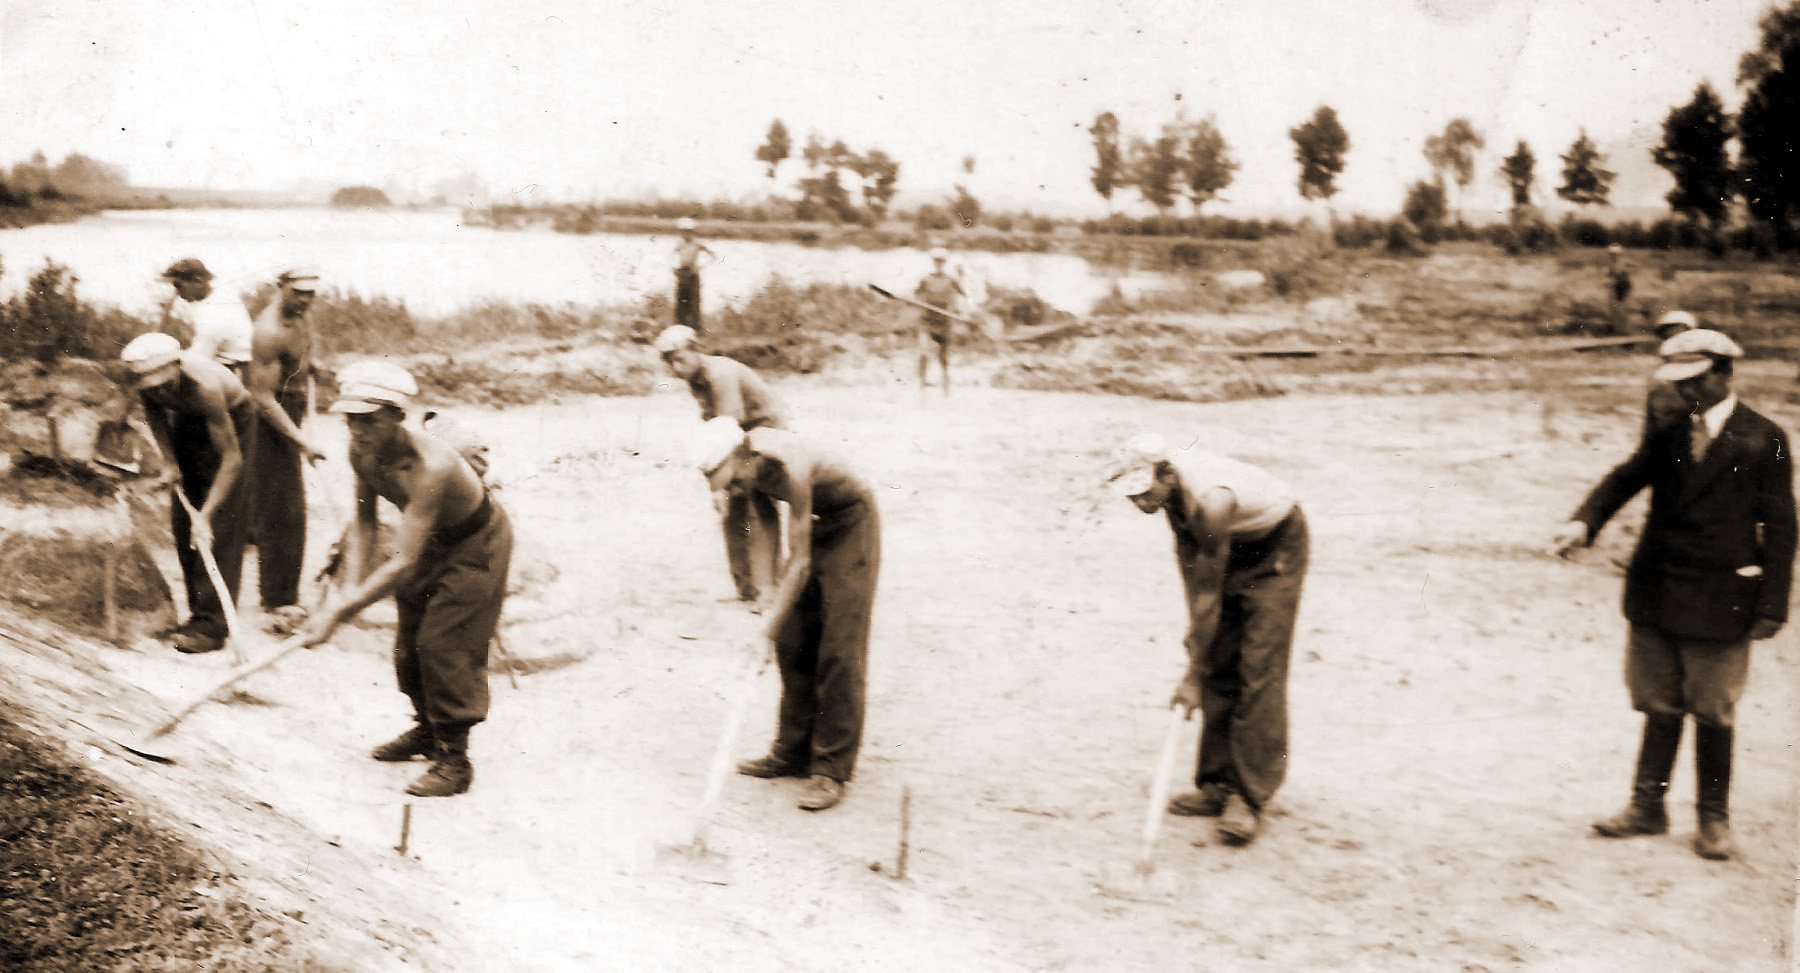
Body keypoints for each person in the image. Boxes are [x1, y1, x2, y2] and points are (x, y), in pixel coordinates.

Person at [1552, 329, 1795, 861]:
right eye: (1679, 383)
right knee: (1658, 699)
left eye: (1695, 381)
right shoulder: (1669, 431)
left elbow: (1782, 526)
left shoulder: (1765, 437)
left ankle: (1713, 820)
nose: (1686, 393)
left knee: (1713, 708)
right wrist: (1584, 522)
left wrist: (1774, 603)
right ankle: (1647, 807)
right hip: (1658, 587)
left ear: (1723, 374)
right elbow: (1627, 477)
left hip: (1723, 594)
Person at [297, 361, 513, 798]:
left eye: (369, 420)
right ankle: (427, 731)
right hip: (429, 541)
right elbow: (364, 524)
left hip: (477, 544)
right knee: (408, 642)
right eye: (350, 420)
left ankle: (455, 759)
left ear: (397, 415)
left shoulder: (430, 466)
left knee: (443, 643)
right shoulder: (361, 451)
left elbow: (401, 561)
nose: (357, 431)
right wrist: (349, 593)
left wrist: (340, 611)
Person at [1106, 432, 1309, 847]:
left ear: (1166, 474)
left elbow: (1208, 591)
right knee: (1216, 652)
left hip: (1273, 551)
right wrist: (1199, 653)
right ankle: (1216, 784)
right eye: (1131, 496)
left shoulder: (1211, 501)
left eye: (1145, 493)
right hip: (1225, 544)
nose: (1142, 504)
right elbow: (1196, 580)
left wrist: (1191, 675)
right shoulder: (1171, 492)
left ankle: (1249, 798)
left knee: (1258, 667)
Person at [693, 417, 880, 813]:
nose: (731, 489)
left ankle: (830, 770)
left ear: (743, 456)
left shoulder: (789, 464)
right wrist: (768, 604)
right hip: (809, 527)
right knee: (792, 637)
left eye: (729, 480)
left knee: (839, 648)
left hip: (850, 524)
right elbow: (765, 535)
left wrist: (764, 630)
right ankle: (792, 751)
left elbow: (800, 562)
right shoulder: (748, 471)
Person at [122, 332, 255, 656]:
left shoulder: (205, 388)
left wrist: (207, 515)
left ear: (178, 366)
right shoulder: (152, 386)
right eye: (153, 387)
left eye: (166, 383)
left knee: (219, 523)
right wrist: (170, 463)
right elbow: (155, 416)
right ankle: (197, 613)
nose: (160, 390)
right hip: (188, 416)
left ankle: (212, 626)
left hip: (233, 417)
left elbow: (232, 459)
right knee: (184, 521)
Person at [656, 325, 789, 600]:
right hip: (736, 436)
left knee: (756, 504)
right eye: (669, 362)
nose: (675, 368)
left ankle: (769, 588)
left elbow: (728, 425)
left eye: (679, 359)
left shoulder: (720, 373)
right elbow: (712, 428)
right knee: (733, 511)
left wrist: (721, 485)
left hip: (763, 432)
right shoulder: (696, 379)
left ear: (696, 350)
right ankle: (746, 588)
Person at [245, 269, 328, 632]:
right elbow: (260, 396)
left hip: (291, 405)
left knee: (287, 506)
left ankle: (282, 596)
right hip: (270, 417)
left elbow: (304, 348)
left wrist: (314, 367)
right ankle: (277, 603)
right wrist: (301, 440)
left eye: (311, 293)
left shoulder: (300, 313)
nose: (306, 300)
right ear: (280, 288)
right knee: (283, 508)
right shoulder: (268, 331)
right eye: (298, 293)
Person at [161, 259, 255, 376]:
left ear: (197, 281)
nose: (177, 292)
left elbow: (199, 360)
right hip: (228, 364)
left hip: (234, 373)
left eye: (178, 285)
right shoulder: (220, 296)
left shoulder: (213, 312)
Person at [913, 247, 967, 396]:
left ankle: (945, 388)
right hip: (928, 320)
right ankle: (921, 385)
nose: (939, 264)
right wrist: (919, 303)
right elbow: (915, 295)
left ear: (945, 263)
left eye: (941, 261)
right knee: (923, 352)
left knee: (943, 358)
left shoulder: (951, 280)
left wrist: (957, 309)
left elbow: (963, 294)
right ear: (933, 262)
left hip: (945, 321)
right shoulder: (926, 279)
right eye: (936, 261)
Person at [1642, 310, 1700, 438]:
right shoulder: (1659, 375)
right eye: (1668, 335)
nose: (1674, 338)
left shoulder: (1700, 366)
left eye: (1679, 332)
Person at [672, 217, 716, 332]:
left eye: (688, 231)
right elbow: (671, 255)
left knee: (694, 303)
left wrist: (700, 267)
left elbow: (713, 256)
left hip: (693, 274)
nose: (685, 234)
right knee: (680, 303)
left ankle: (696, 331)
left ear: (692, 232)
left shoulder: (697, 243)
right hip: (682, 274)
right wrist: (673, 267)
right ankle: (678, 329)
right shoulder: (679, 243)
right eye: (683, 231)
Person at [1605, 244, 1633, 336]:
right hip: (1619, 286)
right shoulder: (1613, 263)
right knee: (1615, 308)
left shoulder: (1619, 263)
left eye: (1614, 254)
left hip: (1622, 287)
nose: (1612, 256)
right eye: (1611, 254)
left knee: (1620, 309)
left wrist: (1612, 283)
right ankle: (1617, 329)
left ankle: (1624, 331)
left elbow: (1619, 277)